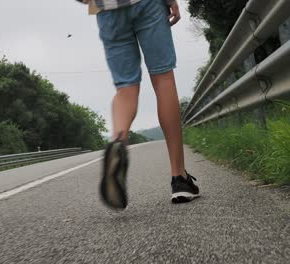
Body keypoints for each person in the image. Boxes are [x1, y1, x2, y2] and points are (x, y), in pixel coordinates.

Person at [76, 0, 199, 209]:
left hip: (107, 10)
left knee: (126, 89)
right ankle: (179, 177)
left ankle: (118, 141)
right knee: (163, 79)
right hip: (147, 4)